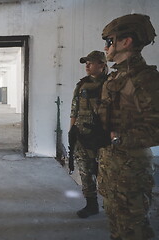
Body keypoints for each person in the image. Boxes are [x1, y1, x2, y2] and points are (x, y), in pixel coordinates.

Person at [98, 14, 159, 240]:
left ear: (126, 42)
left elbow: (156, 128)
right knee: (117, 223)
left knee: (134, 229)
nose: (105, 47)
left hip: (131, 168)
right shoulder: (116, 77)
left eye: (109, 41)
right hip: (113, 165)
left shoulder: (145, 80)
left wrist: (116, 139)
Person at [69, 50, 108, 218]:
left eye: (90, 62)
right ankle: (91, 205)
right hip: (82, 136)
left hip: (102, 137)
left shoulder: (111, 84)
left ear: (102, 65)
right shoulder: (81, 85)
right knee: (85, 171)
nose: (87, 65)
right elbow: (74, 110)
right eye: (86, 63)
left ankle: (112, 204)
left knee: (106, 172)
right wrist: (72, 131)